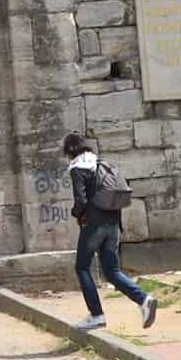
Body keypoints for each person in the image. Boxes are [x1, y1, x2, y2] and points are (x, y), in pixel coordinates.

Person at [63, 132, 158, 332]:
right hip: (113, 223)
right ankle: (144, 299)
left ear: (69, 151)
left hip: (93, 226)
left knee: (82, 267)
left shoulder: (77, 168)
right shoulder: (99, 163)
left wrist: (75, 213)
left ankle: (96, 315)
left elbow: (80, 201)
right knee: (112, 271)